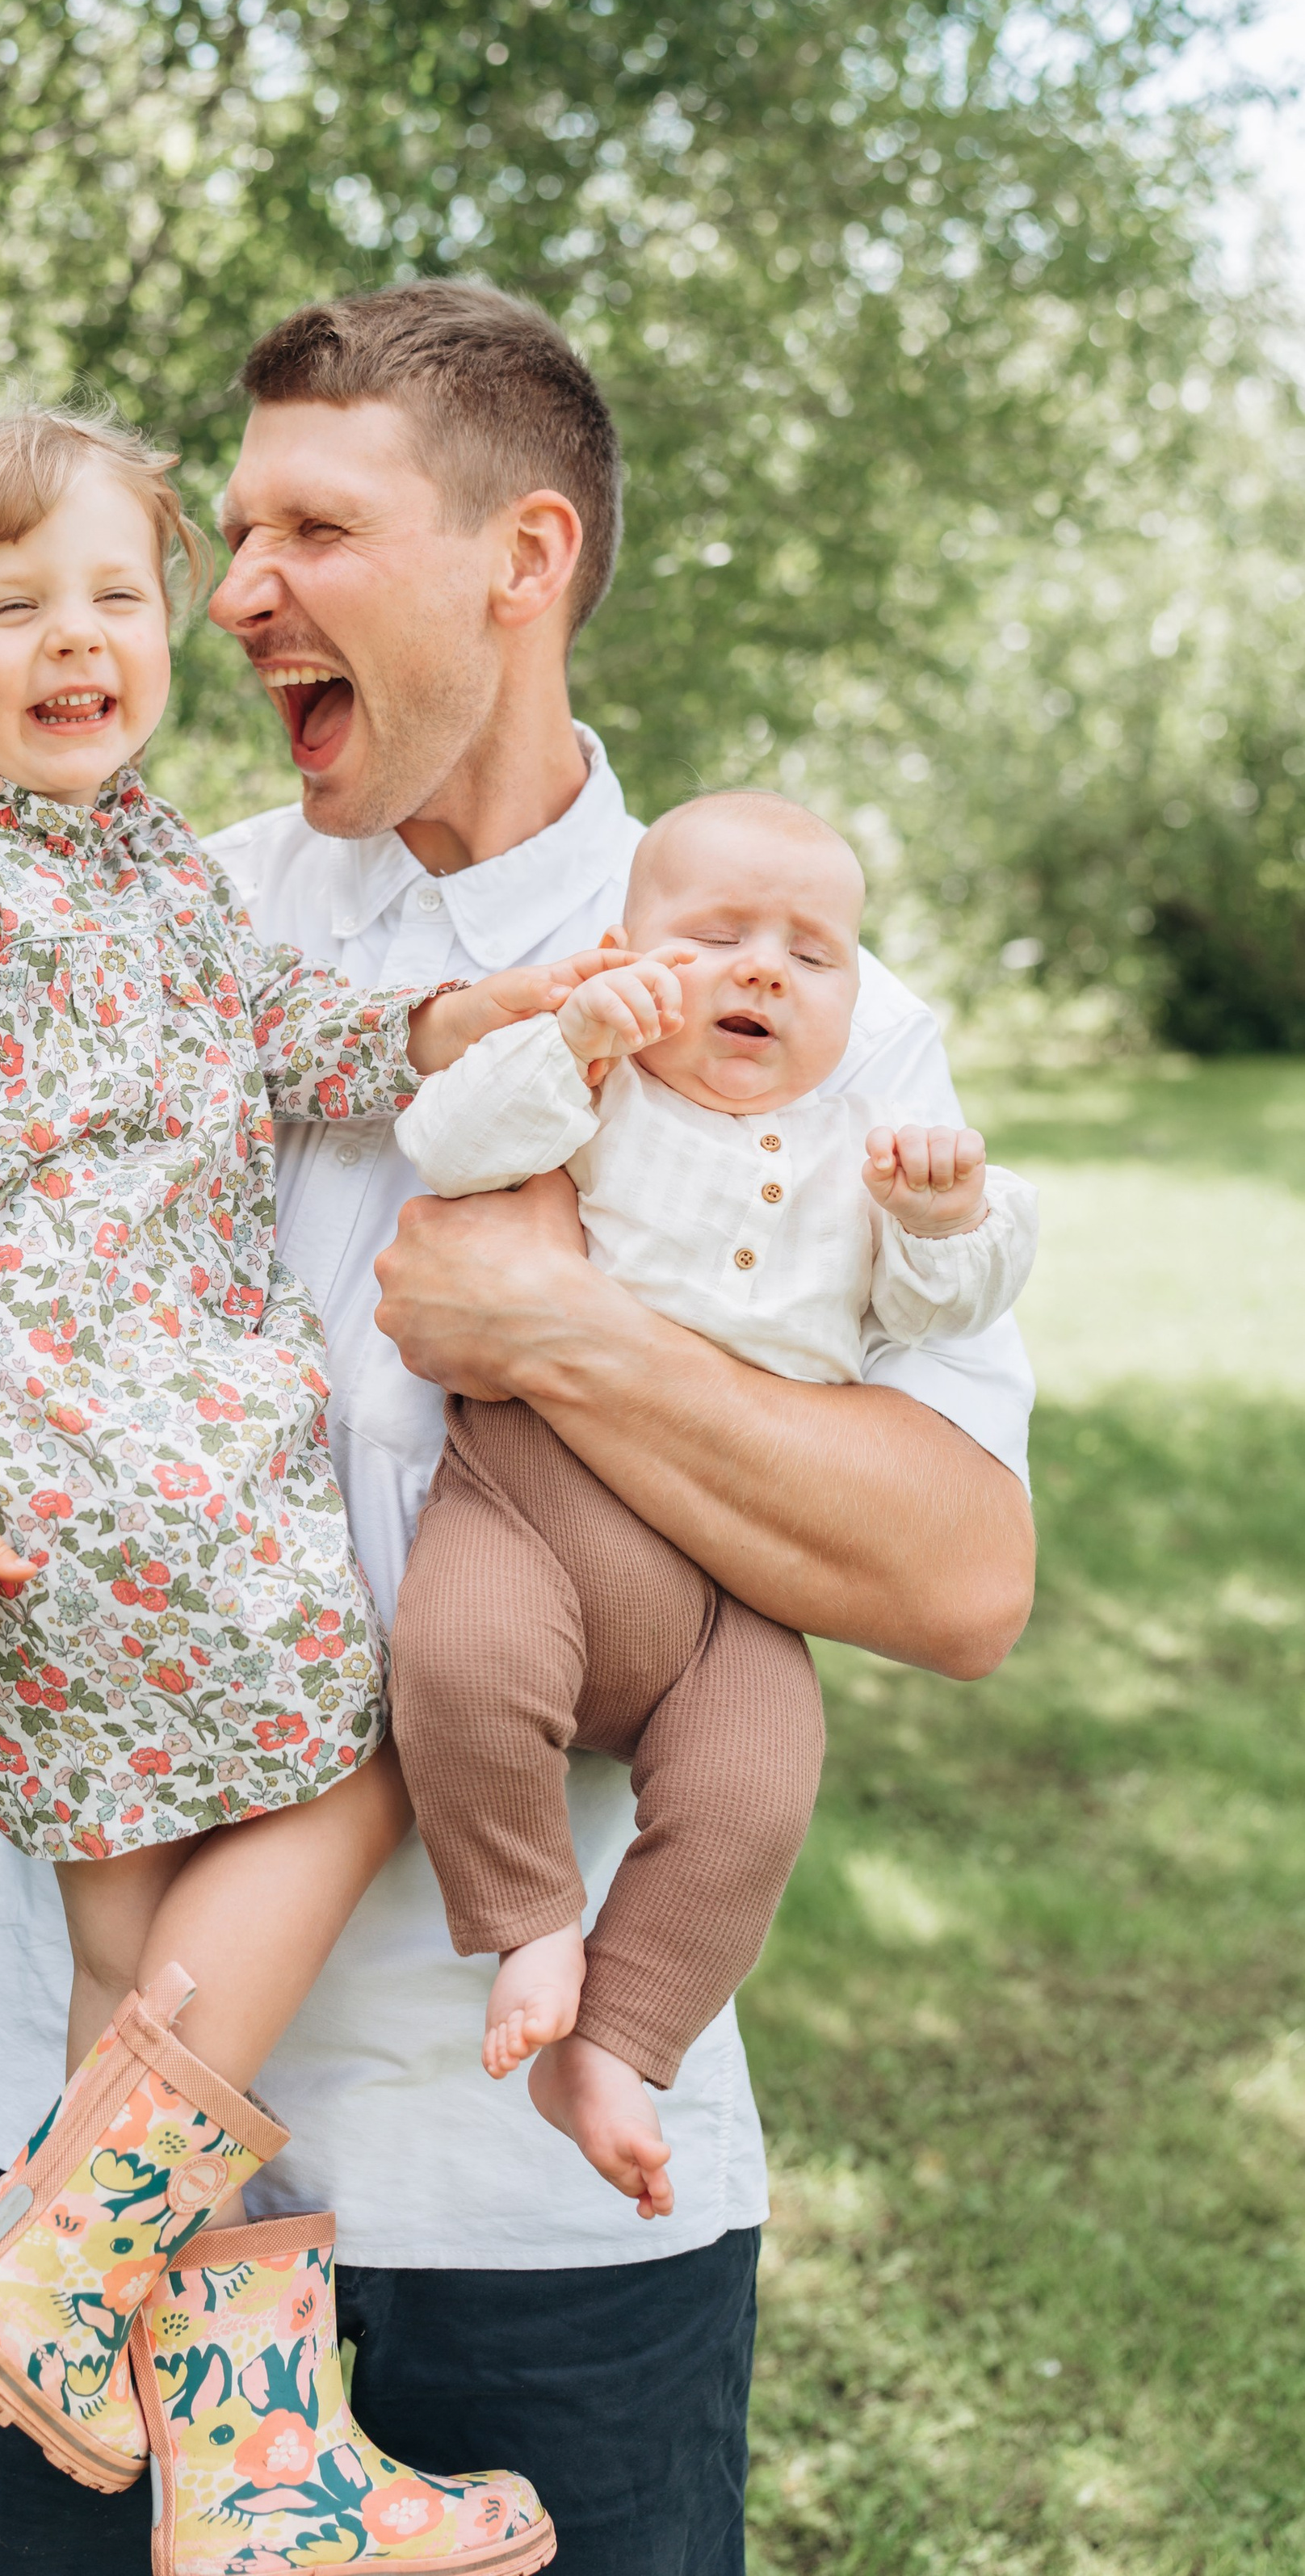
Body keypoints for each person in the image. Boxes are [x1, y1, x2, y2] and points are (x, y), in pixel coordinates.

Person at [0, 282, 1035, 2574]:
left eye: (311, 532)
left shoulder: (796, 1004)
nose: (237, 593)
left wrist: (561, 1335)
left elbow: (961, 1581)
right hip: (67, 2115)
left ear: (520, 561)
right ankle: (93, 2236)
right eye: (226, 536)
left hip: (540, 2178)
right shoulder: (121, 906)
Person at [0, 397, 632, 2566]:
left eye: (118, 599)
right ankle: (57, 2271)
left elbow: (290, 1038)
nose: (79, 641)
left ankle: (246, 2462)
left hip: (150, 1479)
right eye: (10, 605)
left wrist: (458, 1030)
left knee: (135, 1953)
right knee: (373, 1743)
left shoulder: (149, 866)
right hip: (71, 1491)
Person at [388, 786, 1038, 2210]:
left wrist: (944, 1218)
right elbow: (449, 1142)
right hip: (532, 1496)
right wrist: (570, 1036)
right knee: (458, 1660)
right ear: (629, 952)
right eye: (721, 938)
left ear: (856, 1001)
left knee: (758, 1792)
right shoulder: (599, 1092)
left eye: (813, 957)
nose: (764, 971)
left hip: (736, 1587)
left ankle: (621, 2041)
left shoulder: (861, 1138)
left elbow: (944, 1305)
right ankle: (531, 1920)